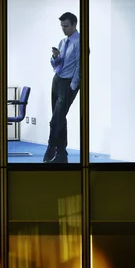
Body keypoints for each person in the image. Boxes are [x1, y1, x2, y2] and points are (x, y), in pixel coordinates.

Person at [43, 12, 80, 164]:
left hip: (68, 83)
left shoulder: (80, 42)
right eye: (62, 26)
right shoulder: (62, 41)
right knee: (60, 118)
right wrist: (55, 57)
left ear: (74, 24)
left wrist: (73, 86)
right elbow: (56, 65)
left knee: (56, 119)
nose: (63, 29)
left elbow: (80, 66)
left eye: (66, 26)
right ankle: (61, 155)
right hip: (57, 80)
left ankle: (51, 146)